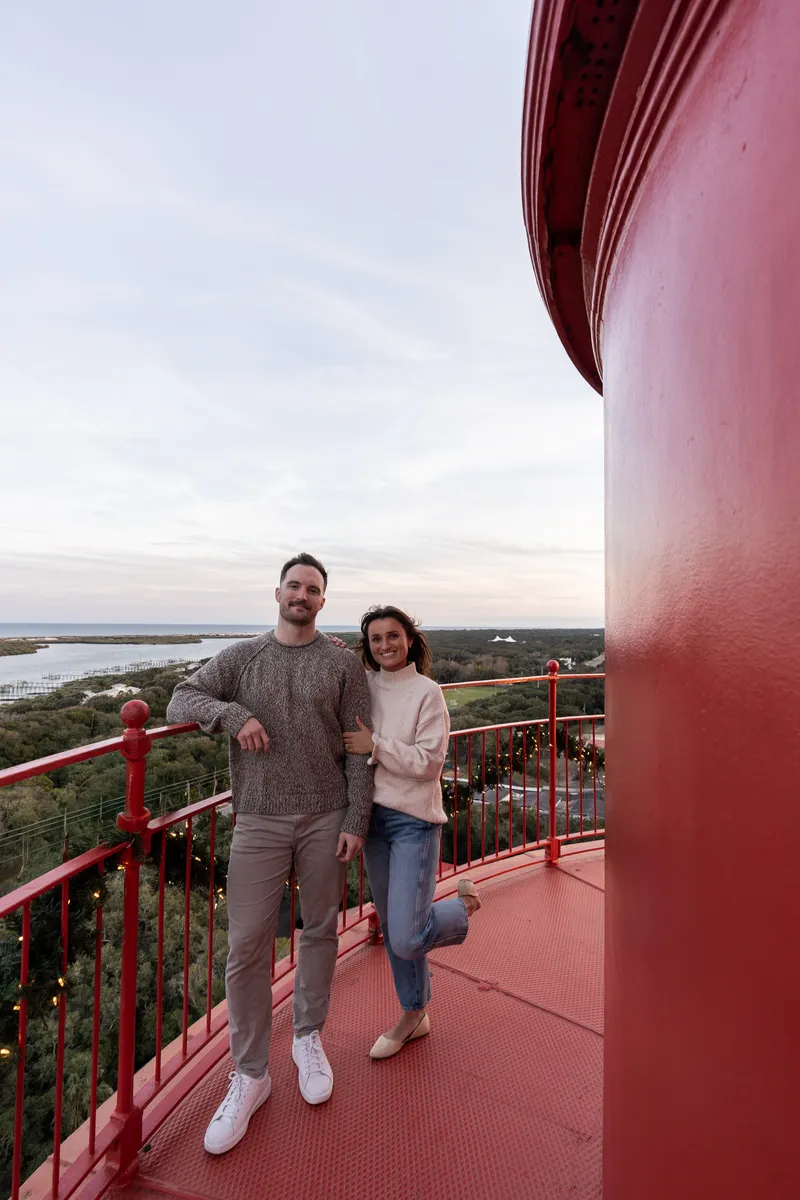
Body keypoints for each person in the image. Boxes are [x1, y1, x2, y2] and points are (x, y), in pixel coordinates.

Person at [166, 553, 372, 1154]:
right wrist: (233, 714)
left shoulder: (341, 664)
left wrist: (356, 819)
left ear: (323, 601)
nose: (301, 595)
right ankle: (251, 1074)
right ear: (276, 592)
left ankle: (307, 1037)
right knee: (248, 944)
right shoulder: (244, 657)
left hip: (326, 815)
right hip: (257, 818)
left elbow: (357, 748)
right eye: (294, 585)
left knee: (319, 931)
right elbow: (182, 699)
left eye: (313, 589)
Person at [343, 605, 481, 1059]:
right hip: (371, 820)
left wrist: (375, 747)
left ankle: (462, 905)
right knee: (395, 926)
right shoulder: (363, 685)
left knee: (405, 934)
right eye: (376, 638)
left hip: (413, 821)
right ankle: (414, 1013)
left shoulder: (427, 692)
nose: (385, 645)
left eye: (393, 636)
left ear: (409, 639)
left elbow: (429, 764)